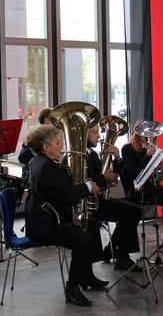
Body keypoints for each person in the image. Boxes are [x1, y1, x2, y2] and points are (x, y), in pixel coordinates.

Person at [24, 125, 107, 306]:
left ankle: (86, 275)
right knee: (84, 240)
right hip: (44, 226)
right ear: (46, 147)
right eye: (57, 142)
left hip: (48, 219)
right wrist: (86, 187)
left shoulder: (42, 162)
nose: (61, 145)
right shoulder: (46, 167)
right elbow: (66, 195)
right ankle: (72, 288)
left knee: (91, 225)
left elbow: (61, 191)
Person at [84, 124, 142, 271]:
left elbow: (111, 174)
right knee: (131, 212)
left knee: (133, 211)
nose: (99, 136)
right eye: (95, 133)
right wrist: (104, 178)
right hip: (88, 204)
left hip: (98, 199)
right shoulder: (81, 156)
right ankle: (121, 256)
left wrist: (117, 160)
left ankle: (113, 252)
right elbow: (87, 183)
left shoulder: (92, 154)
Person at [120, 120, 163, 246]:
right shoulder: (127, 149)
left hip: (149, 187)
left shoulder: (146, 148)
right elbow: (135, 173)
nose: (149, 137)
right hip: (136, 190)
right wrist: (148, 157)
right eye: (146, 134)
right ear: (137, 133)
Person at [18, 107, 52, 183]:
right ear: (46, 121)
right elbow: (22, 157)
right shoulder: (35, 136)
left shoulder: (50, 137)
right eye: (53, 120)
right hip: (32, 178)